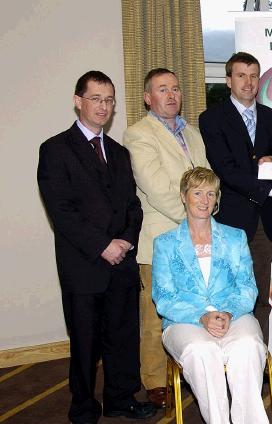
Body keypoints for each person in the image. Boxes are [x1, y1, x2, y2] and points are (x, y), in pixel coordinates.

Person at [37, 71, 154, 423]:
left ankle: (121, 399)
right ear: (78, 101)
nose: (104, 107)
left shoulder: (119, 153)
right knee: (85, 343)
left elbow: (133, 206)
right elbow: (62, 211)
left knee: (123, 337)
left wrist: (127, 241)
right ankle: (84, 406)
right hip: (84, 265)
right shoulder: (55, 149)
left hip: (122, 263)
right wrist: (103, 245)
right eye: (96, 99)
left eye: (109, 100)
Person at [152, 167, 269, 424]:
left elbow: (248, 287)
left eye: (211, 193)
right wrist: (201, 317)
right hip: (184, 320)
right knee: (202, 351)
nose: (204, 200)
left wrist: (228, 312)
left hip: (234, 314)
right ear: (184, 196)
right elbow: (164, 297)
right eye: (197, 193)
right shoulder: (165, 243)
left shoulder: (235, 237)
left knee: (248, 346)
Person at [123, 68, 210, 408]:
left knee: (193, 308)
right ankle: (156, 381)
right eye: (163, 89)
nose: (171, 95)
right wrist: (198, 220)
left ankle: (189, 371)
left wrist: (205, 217)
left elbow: (207, 180)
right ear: (148, 97)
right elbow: (156, 188)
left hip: (198, 236)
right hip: (161, 239)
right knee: (155, 314)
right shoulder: (138, 134)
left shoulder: (193, 133)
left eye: (175, 88)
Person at [199, 52, 272, 343]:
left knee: (258, 297)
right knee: (227, 297)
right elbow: (226, 170)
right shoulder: (211, 118)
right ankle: (225, 361)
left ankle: (259, 359)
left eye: (254, 75)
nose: (249, 81)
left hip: (263, 223)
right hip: (229, 222)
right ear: (228, 80)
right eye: (241, 75)